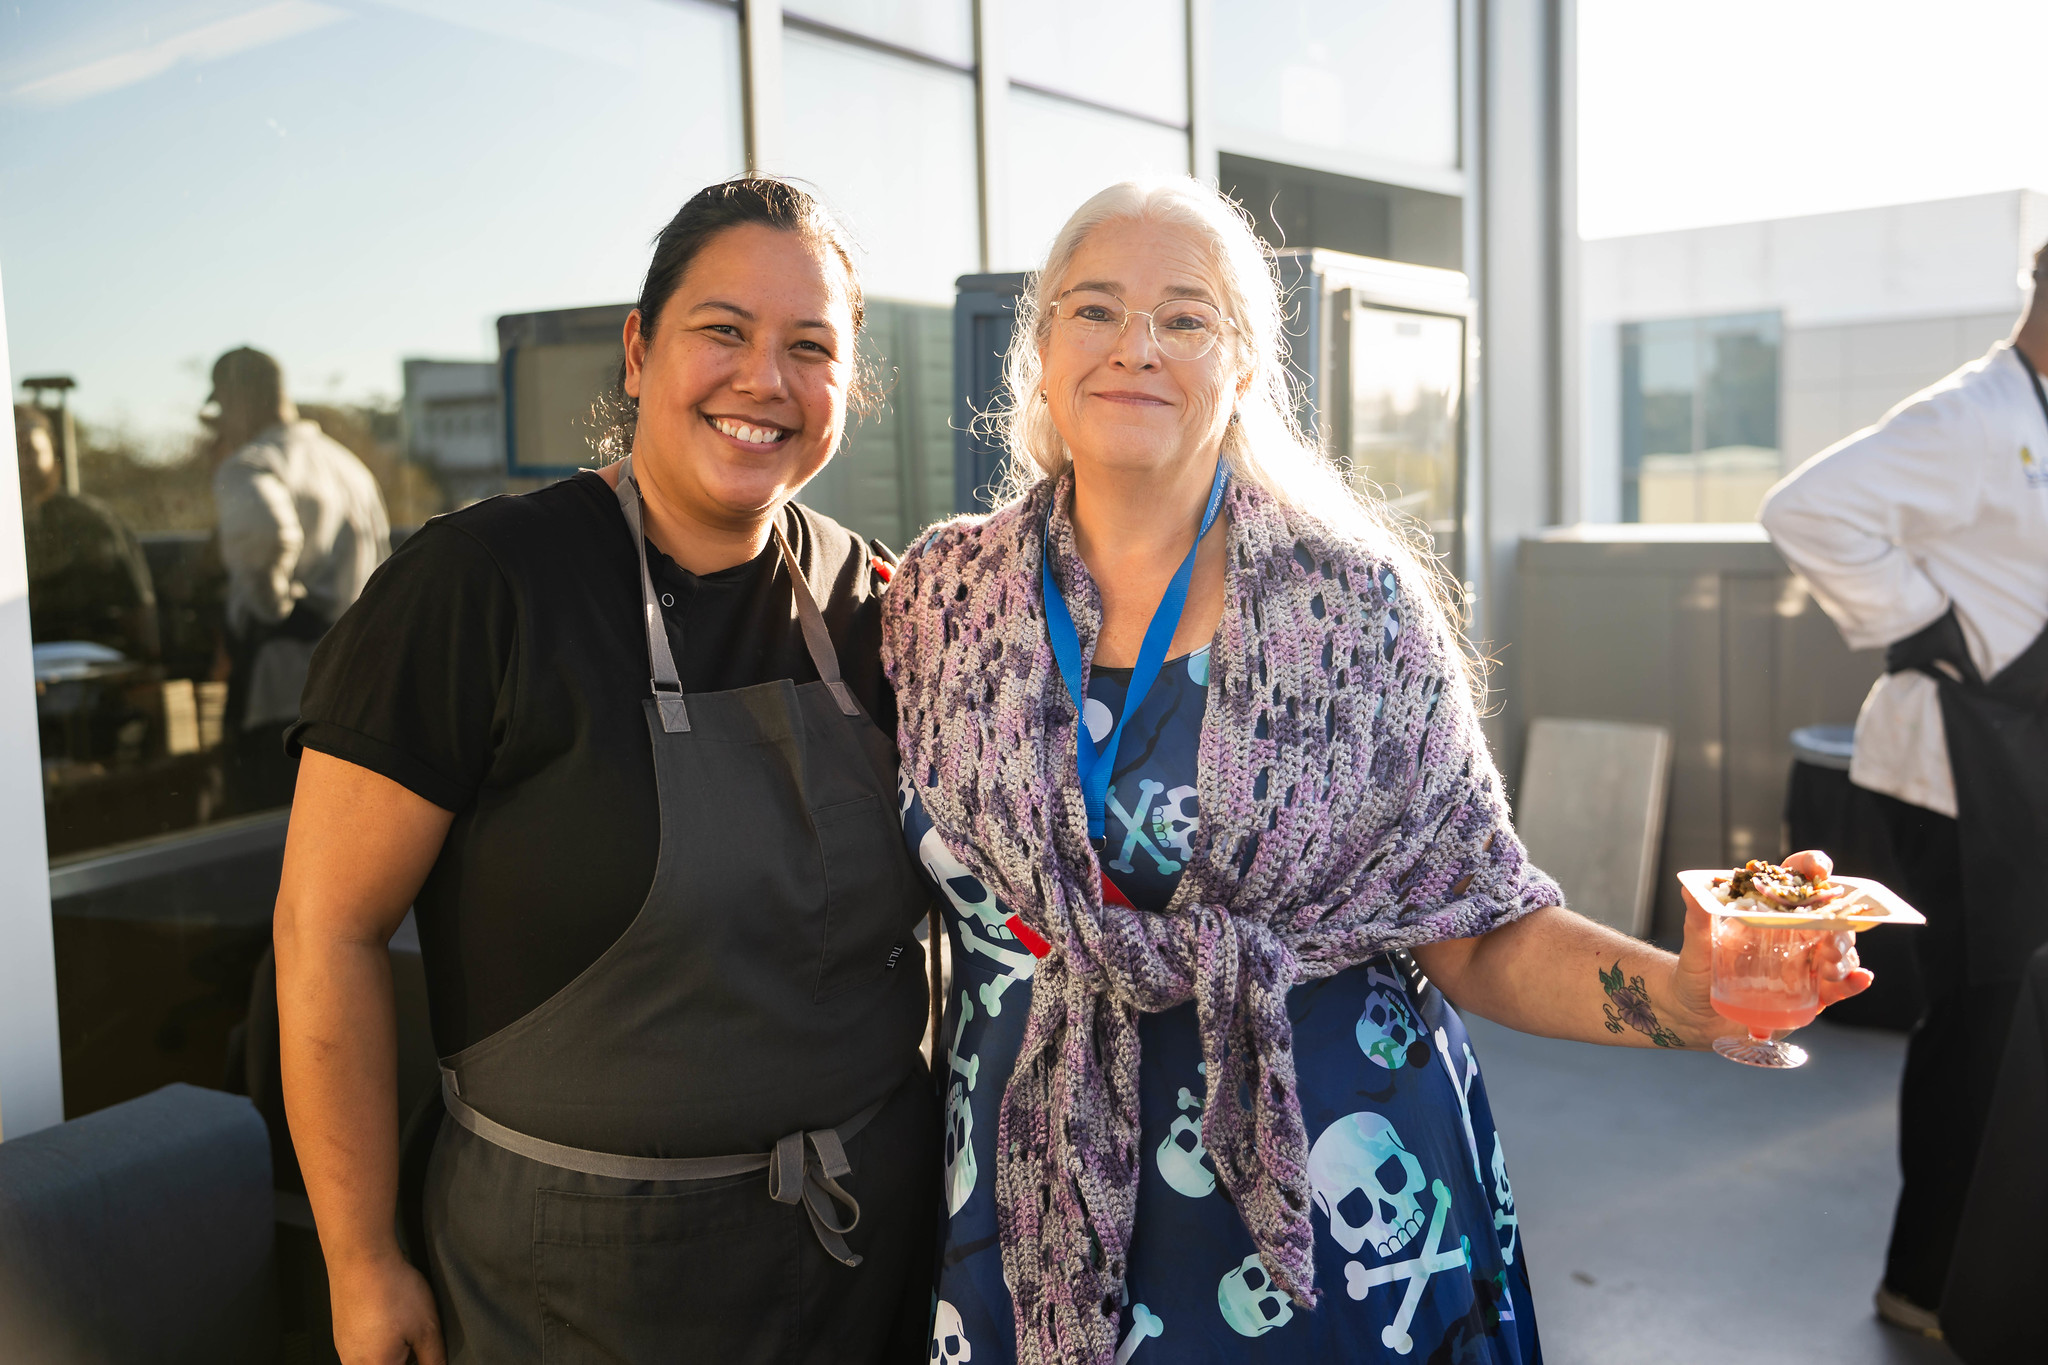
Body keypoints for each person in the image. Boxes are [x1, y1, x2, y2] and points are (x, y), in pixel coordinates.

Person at [885, 178, 1871, 1365]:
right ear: (1040, 349)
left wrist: (1684, 994)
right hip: (1024, 1201)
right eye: (1094, 310)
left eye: (1185, 318)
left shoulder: (1354, 613)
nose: (1135, 347)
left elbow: (1476, 926)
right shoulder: (938, 605)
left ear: (1243, 368)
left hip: (1331, 1220)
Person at [273, 177, 937, 1365]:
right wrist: (360, 1261)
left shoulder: (873, 603)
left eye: (809, 347)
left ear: (847, 390)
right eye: (721, 332)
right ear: (638, 351)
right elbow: (325, 930)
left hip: (862, 1264)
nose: (762, 380)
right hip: (576, 1287)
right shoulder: (478, 588)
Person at [1759, 238, 2048, 1339]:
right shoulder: (1968, 417)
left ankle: (1994, 1259)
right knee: (1974, 1024)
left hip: (2016, 762)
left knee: (2017, 1020)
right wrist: (1936, 633)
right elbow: (1803, 510)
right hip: (1947, 768)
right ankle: (1922, 1279)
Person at [205, 346, 389, 812]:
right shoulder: (349, 466)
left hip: (284, 695)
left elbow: (268, 537)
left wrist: (271, 609)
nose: (220, 421)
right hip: (360, 686)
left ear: (237, 398)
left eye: (221, 407)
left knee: (267, 842)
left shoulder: (250, 465)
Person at [13, 402, 158, 661]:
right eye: (11, 452)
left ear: (52, 453)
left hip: (84, 658)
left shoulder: (90, 519)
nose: (20, 463)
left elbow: (136, 600)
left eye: (30, 451)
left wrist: (147, 663)